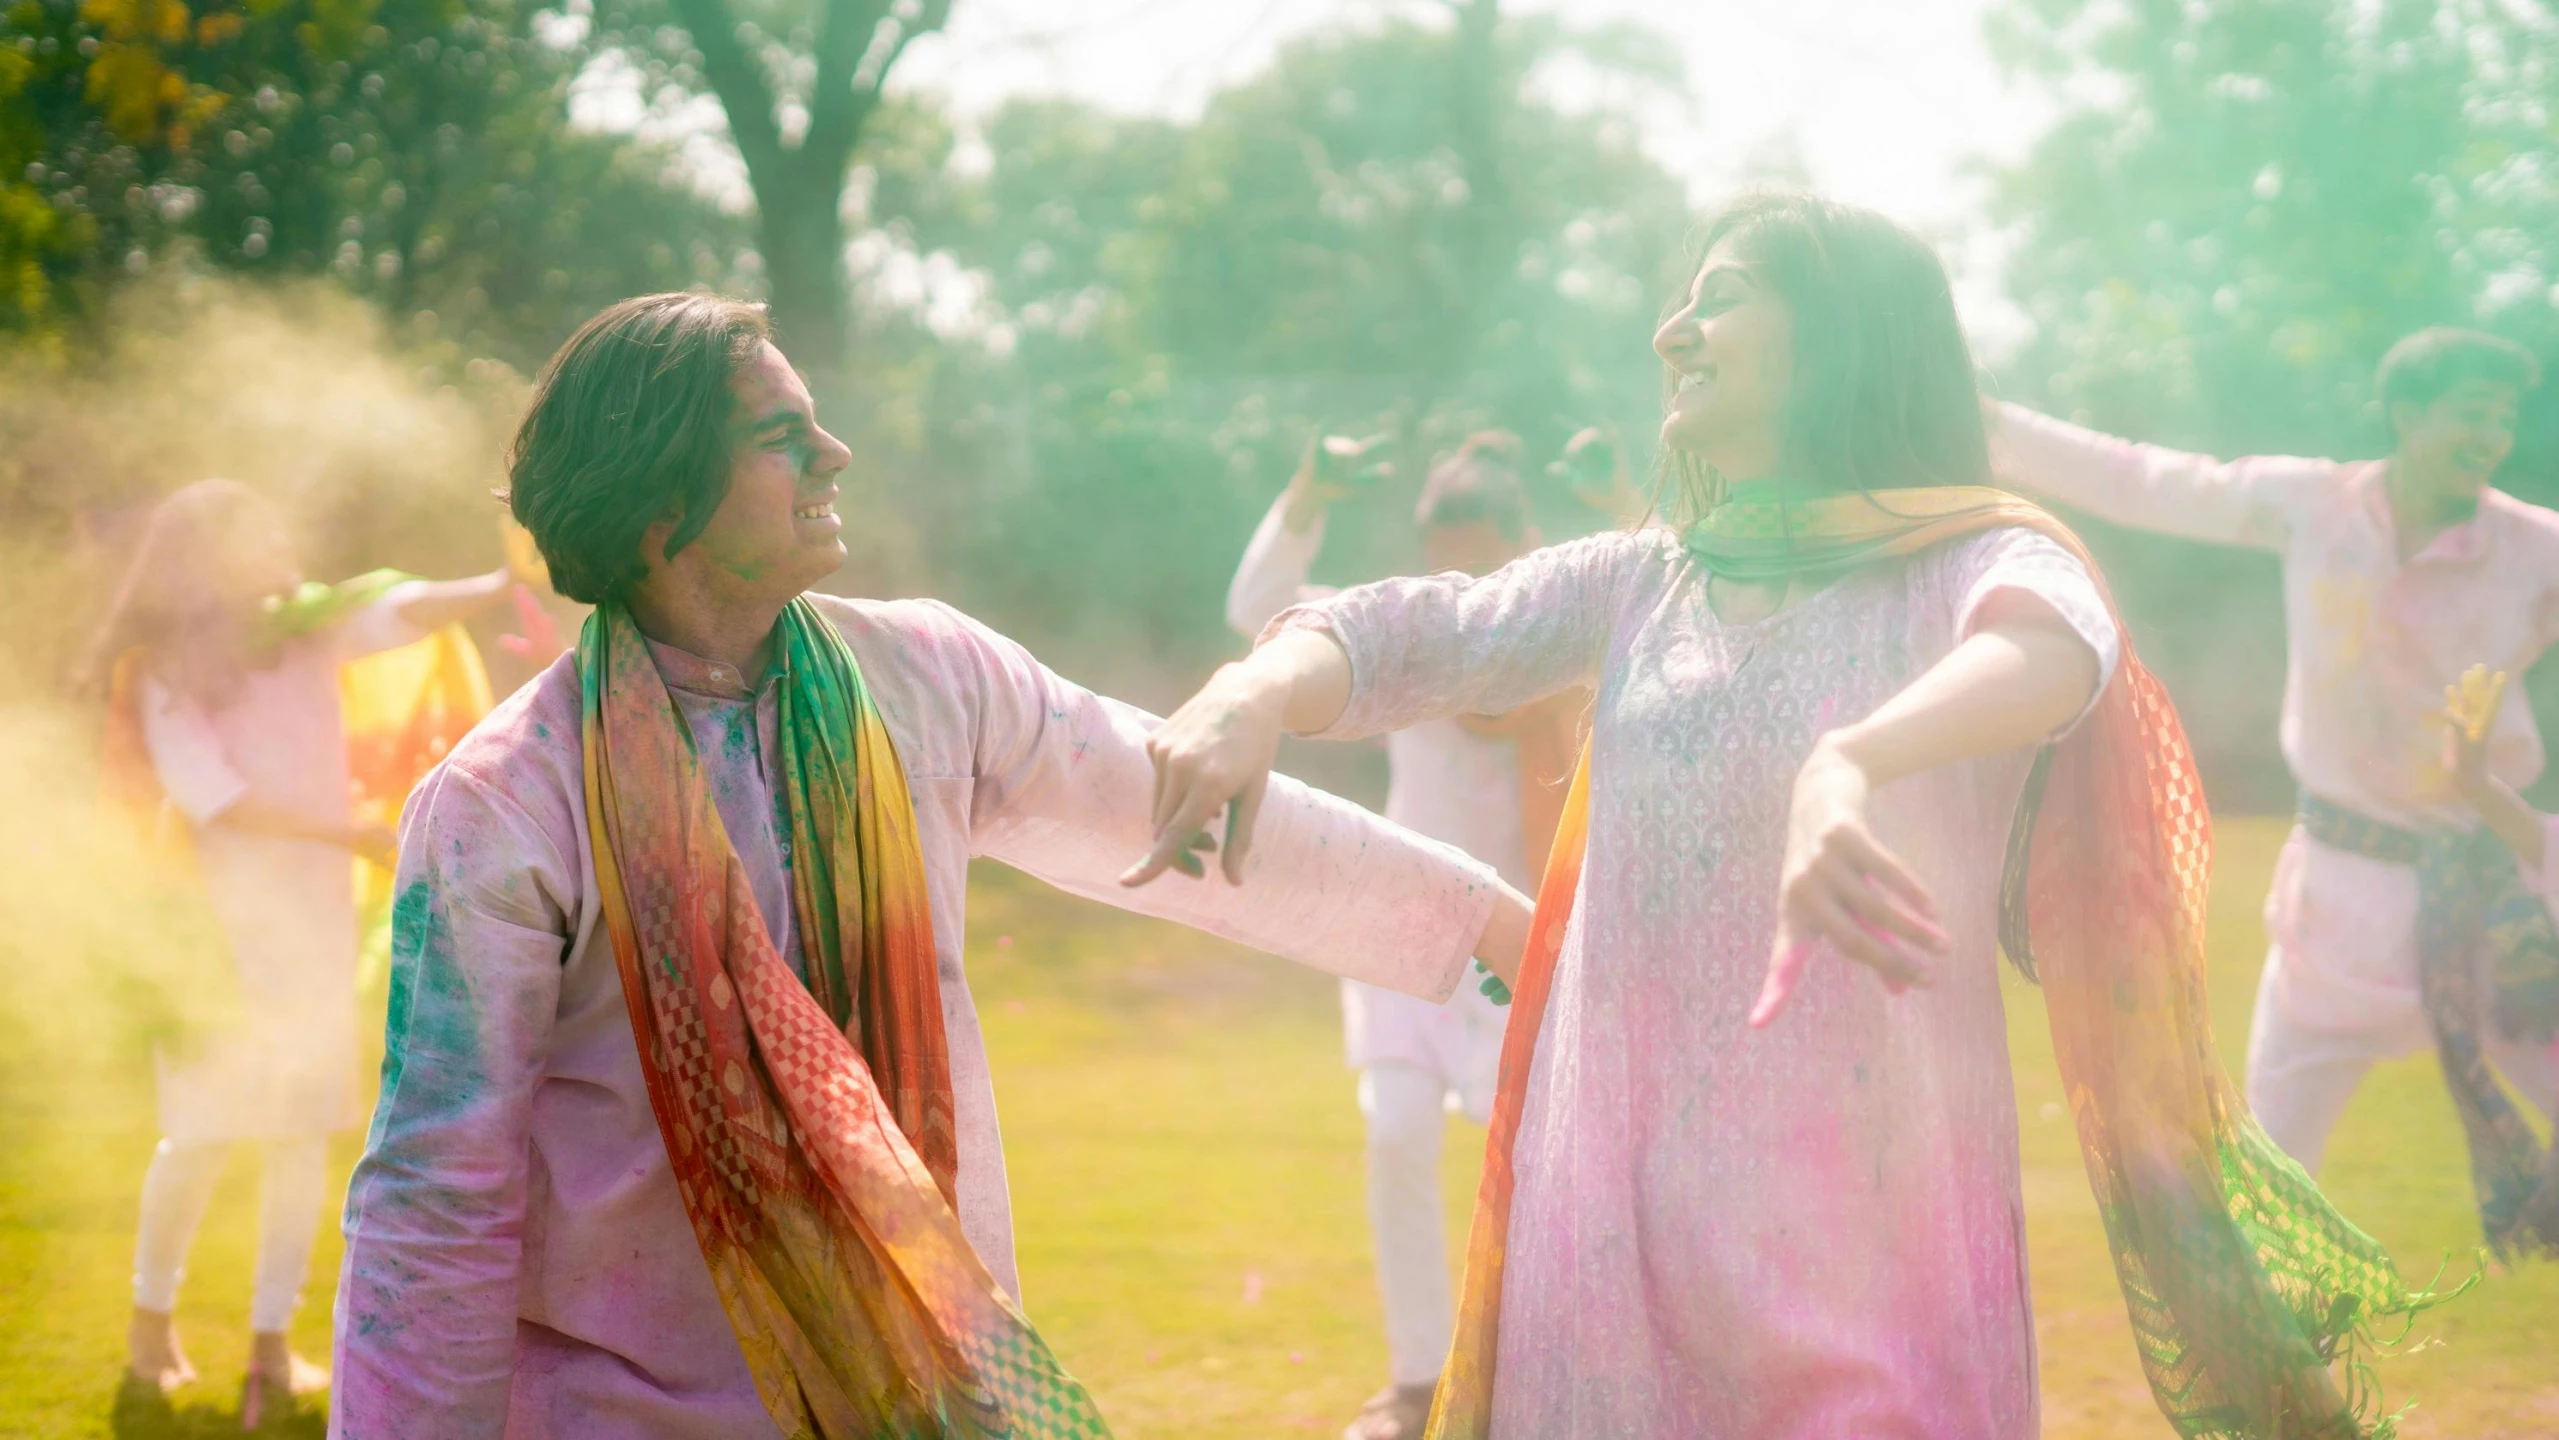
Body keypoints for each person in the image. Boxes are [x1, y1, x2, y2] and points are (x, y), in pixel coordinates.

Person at [1129, 193, 2434, 1439]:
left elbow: (2055, 643)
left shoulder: (1971, 556)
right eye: (1676, 303)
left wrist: (1849, 761)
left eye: (1721, 297)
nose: (1668, 333)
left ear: (1835, 334)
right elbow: (1417, 630)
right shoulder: (1645, 581)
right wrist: (1255, 689)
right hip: (1607, 1246)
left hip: (1865, 1259)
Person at [326, 293, 1535, 1440]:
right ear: (661, 510)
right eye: (782, 436)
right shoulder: (504, 805)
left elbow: (1181, 804)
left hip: (929, 1391)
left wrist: (1482, 920)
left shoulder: (928, 681)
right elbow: (437, 1201)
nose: (836, 453)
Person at [1986, 327, 2559, 1253]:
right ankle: (2279, 1370)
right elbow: (2145, 478)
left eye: (2505, 415)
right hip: (2340, 892)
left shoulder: (2535, 551)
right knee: (2266, 1162)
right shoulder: (2311, 505)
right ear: (2407, 416)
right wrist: (1986, 423)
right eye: (2471, 411)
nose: (2492, 433)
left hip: (2495, 894)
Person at [80, 480, 512, 1423]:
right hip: (211, 937)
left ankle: (273, 1349)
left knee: (301, 1133)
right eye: (259, 529)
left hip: (311, 933)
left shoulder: (313, 630)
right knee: (197, 1132)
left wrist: (505, 572)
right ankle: (152, 1329)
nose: (283, 536)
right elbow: (215, 800)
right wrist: (349, 835)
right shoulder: (161, 671)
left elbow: (401, 610)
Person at [1225, 433, 1581, 1440]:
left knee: (1552, 1161)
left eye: (1482, 557)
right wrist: (1304, 494)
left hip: (1525, 945)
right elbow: (1259, 611)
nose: (1460, 580)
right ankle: (1420, 1382)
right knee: (1396, 1131)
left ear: (1530, 545)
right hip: (1401, 938)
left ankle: (1544, 1379)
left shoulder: (1568, 644)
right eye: (1445, 562)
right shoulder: (1413, 640)